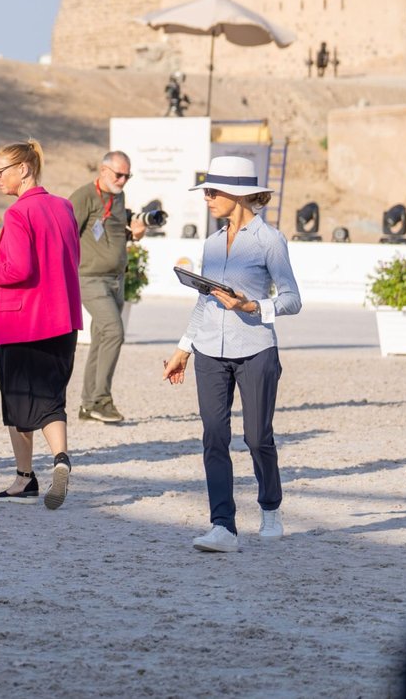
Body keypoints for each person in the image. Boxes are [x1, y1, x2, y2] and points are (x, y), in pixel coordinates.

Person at [163, 156, 301, 554]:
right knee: (214, 437)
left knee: (257, 438)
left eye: (212, 191)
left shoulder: (270, 241)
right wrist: (182, 349)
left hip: (256, 349)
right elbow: (206, 303)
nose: (206, 198)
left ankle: (270, 506)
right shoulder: (209, 243)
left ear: (237, 194)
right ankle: (223, 525)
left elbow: (292, 299)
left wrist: (253, 307)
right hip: (209, 351)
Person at [0, 139, 81, 510]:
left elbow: (19, 269)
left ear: (24, 169)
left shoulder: (18, 213)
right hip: (62, 318)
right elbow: (71, 259)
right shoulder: (64, 207)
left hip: (22, 321)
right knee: (51, 399)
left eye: (0, 170)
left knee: (18, 402)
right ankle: (61, 457)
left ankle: (24, 477)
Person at [68, 150, 147, 424]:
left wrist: (133, 234)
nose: (124, 180)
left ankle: (88, 405)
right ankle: (102, 400)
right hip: (89, 278)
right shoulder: (83, 197)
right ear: (103, 171)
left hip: (116, 278)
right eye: (119, 174)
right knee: (114, 331)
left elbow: (110, 233)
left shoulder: (118, 196)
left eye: (127, 175)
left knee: (102, 338)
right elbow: (66, 235)